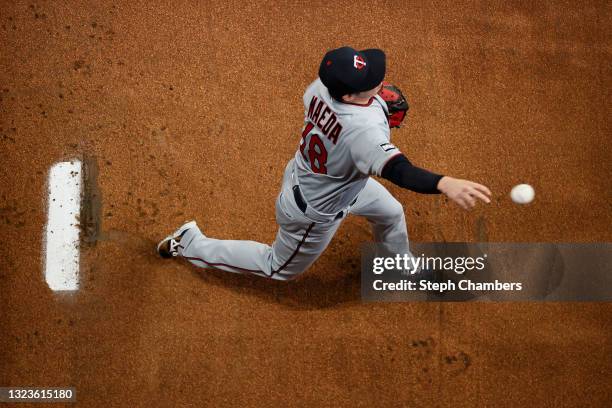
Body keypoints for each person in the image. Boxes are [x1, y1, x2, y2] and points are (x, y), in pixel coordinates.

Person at [157, 46, 491, 281]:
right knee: (278, 269)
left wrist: (372, 101)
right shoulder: (362, 133)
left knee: (390, 213)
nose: (379, 83)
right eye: (370, 85)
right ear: (348, 96)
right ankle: (190, 243)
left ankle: (399, 264)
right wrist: (445, 182)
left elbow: (359, 106)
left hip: (329, 179)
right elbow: (400, 171)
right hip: (314, 211)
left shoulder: (319, 88)